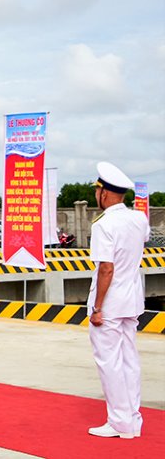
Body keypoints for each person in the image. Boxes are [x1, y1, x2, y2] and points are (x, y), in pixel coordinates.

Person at [86, 162, 150, 439]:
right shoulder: (139, 219)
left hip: (110, 303)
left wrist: (98, 307)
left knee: (109, 362)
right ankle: (133, 420)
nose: (96, 196)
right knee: (129, 360)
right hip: (132, 299)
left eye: (97, 190)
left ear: (105, 194)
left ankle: (119, 422)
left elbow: (106, 269)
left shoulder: (104, 225)